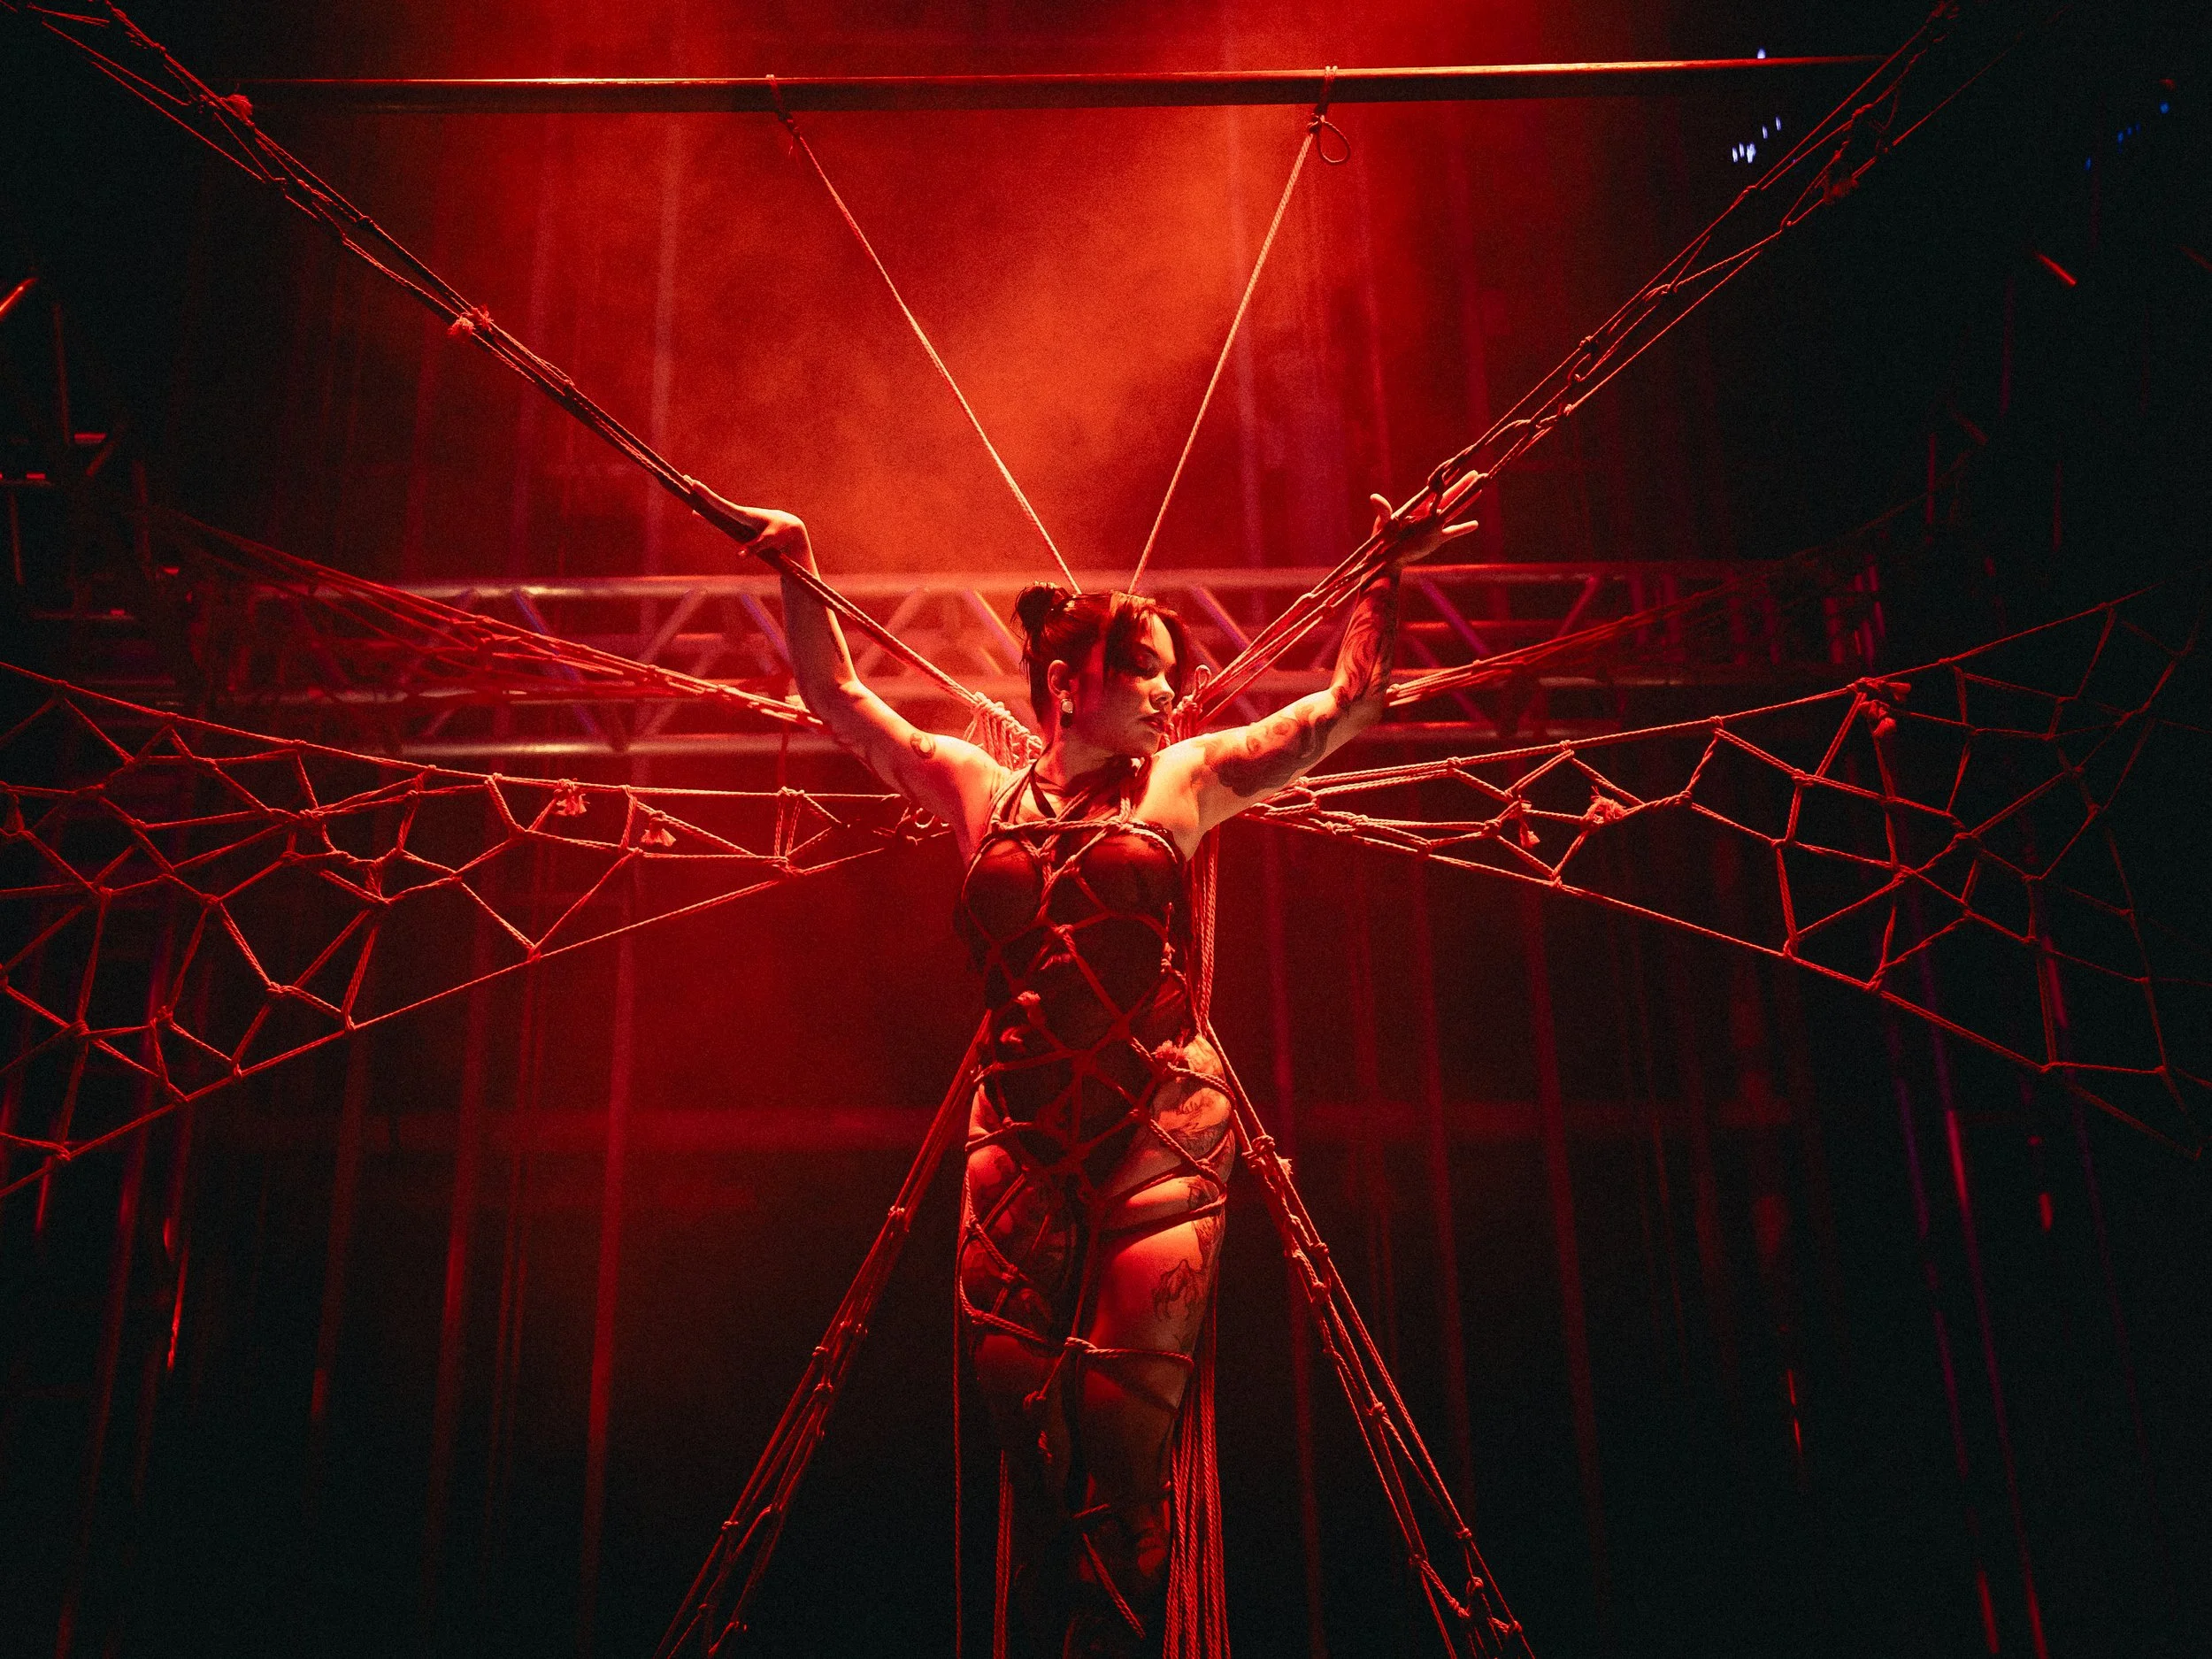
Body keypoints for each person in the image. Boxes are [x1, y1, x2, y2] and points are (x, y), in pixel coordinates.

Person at [746, 499, 1467, 1657]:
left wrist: (1381, 573)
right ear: (1064, 682)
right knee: (1034, 1467)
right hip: (1017, 1141)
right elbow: (843, 702)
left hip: (1160, 1141)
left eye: (1168, 676)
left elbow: (1346, 708)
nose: (1165, 694)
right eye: (1142, 670)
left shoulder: (1186, 782)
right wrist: (795, 559)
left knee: (1117, 1466)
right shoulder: (977, 790)